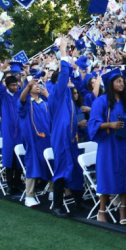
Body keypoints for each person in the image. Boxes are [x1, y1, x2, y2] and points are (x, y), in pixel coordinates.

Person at [88, 68, 126, 224]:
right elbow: (93, 123)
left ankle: (123, 208)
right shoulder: (101, 101)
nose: (122, 83)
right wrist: (109, 124)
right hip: (109, 144)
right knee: (107, 175)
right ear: (110, 84)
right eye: (118, 81)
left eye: (123, 81)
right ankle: (102, 210)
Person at [49, 36, 85, 217]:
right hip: (61, 136)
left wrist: (75, 66)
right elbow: (64, 75)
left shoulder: (68, 95)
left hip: (71, 136)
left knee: (76, 168)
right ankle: (57, 205)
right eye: (68, 79)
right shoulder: (57, 92)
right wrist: (63, 51)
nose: (71, 81)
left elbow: (78, 82)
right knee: (62, 168)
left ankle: (79, 202)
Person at [17, 76, 52, 207]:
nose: (38, 85)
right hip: (32, 139)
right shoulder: (27, 103)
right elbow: (21, 99)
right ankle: (29, 195)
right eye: (35, 84)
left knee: (51, 162)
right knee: (33, 164)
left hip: (46, 139)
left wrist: (47, 94)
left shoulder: (44, 102)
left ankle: (52, 190)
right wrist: (27, 87)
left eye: (39, 84)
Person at [0, 66, 23, 195]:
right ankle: (10, 185)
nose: (15, 87)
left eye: (17, 85)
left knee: (19, 158)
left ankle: (18, 184)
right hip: (8, 132)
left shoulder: (20, 95)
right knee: (9, 158)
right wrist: (0, 72)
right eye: (13, 85)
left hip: (20, 131)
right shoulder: (2, 96)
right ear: (7, 85)